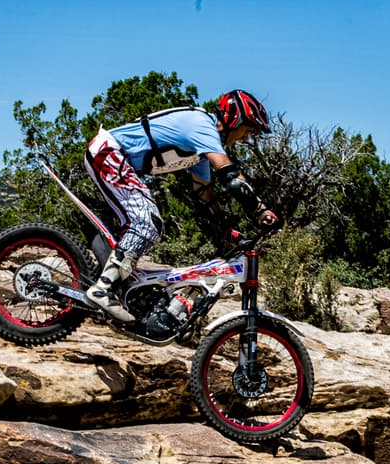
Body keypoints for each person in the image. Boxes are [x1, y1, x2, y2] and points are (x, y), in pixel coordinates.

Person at [82, 89, 279, 322]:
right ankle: (102, 289)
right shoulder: (202, 126)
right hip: (109, 152)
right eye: (248, 130)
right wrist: (261, 210)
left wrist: (225, 230)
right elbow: (230, 176)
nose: (246, 138)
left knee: (138, 227)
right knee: (148, 224)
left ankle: (118, 290)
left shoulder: (201, 149)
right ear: (234, 120)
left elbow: (204, 194)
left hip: (113, 157)